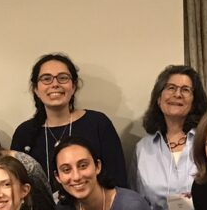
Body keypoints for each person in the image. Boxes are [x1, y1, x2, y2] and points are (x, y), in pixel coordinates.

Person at [11, 53, 129, 190]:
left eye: (62, 78)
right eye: (46, 79)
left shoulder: (98, 124)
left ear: (73, 86)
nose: (55, 84)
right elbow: (18, 186)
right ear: (36, 89)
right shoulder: (24, 133)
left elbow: (118, 182)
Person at [132, 65, 207, 210]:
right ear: (159, 98)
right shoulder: (143, 149)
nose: (177, 94)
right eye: (171, 88)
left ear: (194, 101)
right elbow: (140, 204)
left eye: (186, 90)